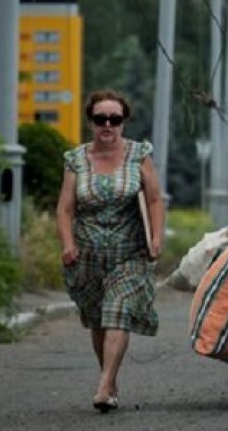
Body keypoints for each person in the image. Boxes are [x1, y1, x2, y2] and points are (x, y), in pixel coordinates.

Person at [56, 89, 164, 413]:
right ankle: (111, 379)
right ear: (90, 121)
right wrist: (67, 244)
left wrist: (156, 237)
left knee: (118, 309)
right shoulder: (75, 159)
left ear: (123, 122)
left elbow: (155, 199)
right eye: (100, 119)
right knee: (98, 319)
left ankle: (104, 385)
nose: (107, 125)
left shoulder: (138, 154)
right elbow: (64, 208)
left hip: (129, 251)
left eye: (114, 119)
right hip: (86, 255)